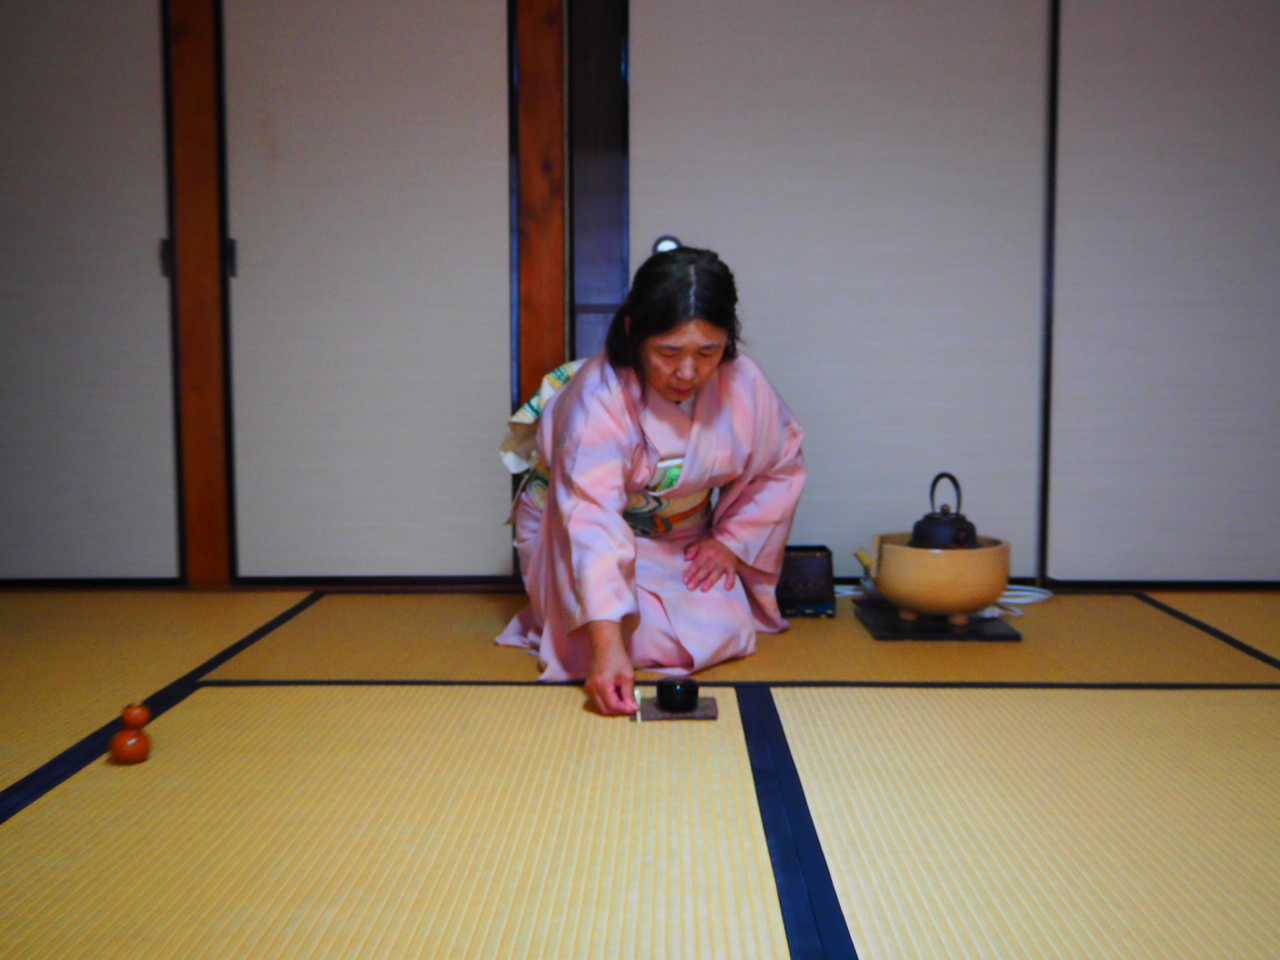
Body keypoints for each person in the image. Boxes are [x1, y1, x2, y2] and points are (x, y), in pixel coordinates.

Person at [497, 246, 806, 715]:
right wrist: (606, 647)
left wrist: (731, 541)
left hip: (682, 538)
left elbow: (780, 464)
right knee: (612, 638)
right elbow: (591, 520)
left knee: (726, 629)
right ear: (633, 331)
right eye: (668, 352)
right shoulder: (598, 400)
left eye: (708, 352)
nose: (688, 372)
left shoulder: (743, 383)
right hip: (573, 534)